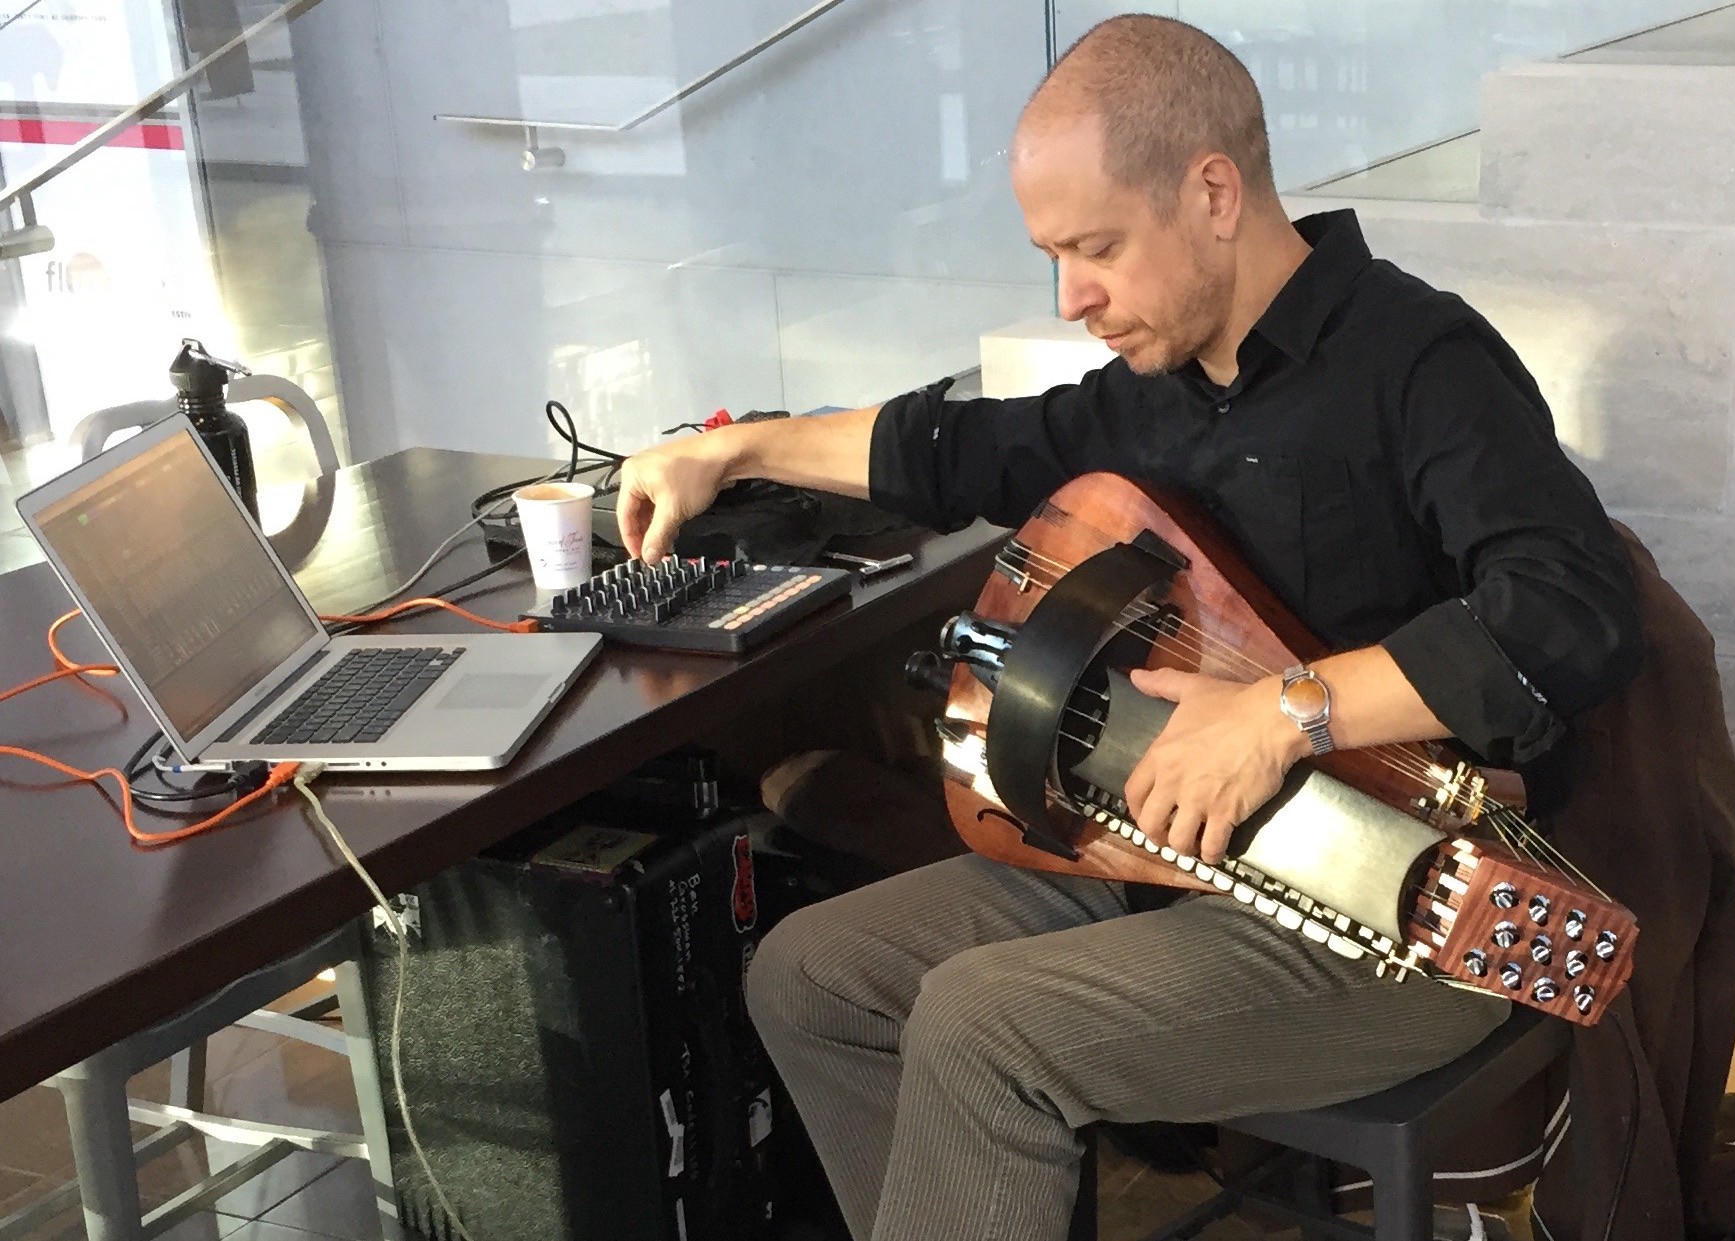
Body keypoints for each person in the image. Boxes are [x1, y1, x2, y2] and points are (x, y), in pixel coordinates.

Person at [615, 16, 1644, 1240]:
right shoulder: (1154, 390)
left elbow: (1570, 608)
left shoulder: (1419, 361)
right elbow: (951, 449)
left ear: (1212, 191)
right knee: (811, 974)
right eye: (1053, 255)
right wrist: (728, 448)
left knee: (978, 1027)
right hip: (1161, 867)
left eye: (1095, 247)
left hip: (1406, 910)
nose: (1072, 296)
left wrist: (1281, 713)